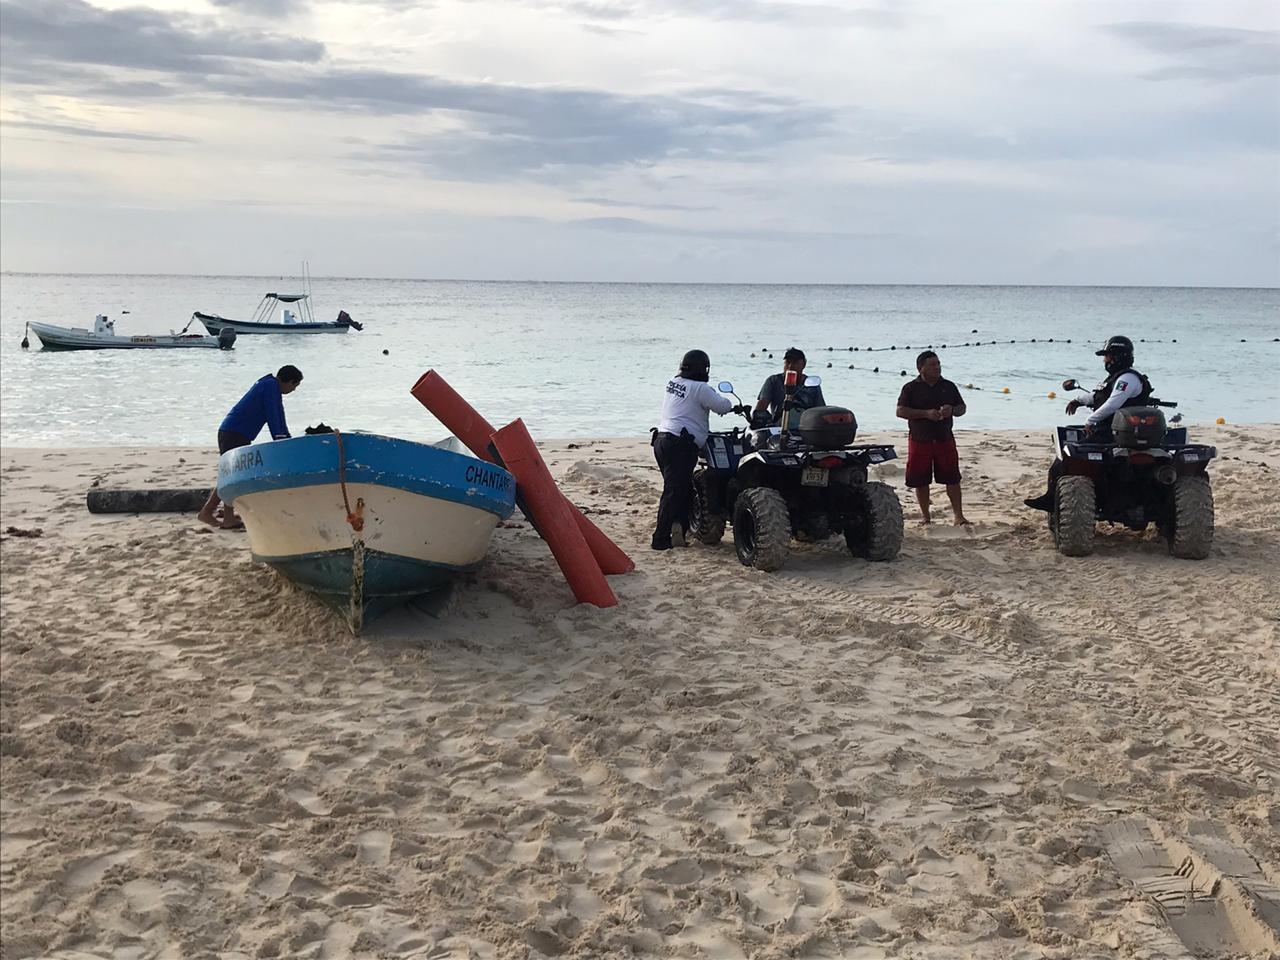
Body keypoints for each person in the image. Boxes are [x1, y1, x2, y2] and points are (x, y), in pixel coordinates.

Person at [1024, 335, 1152, 511]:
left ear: (1117, 356)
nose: (1105, 360)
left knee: (1067, 457)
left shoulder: (1126, 379)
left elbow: (1113, 403)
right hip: (1123, 433)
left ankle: (1051, 500)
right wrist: (1078, 400)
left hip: (1111, 433)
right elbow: (1098, 396)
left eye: (1107, 356)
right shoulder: (1118, 378)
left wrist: (1091, 420)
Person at [652, 349, 744, 551]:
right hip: (680, 445)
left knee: (680, 488)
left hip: (660, 441)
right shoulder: (701, 388)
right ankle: (660, 539)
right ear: (704, 369)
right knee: (674, 491)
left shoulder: (673, 383)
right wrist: (733, 407)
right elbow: (721, 405)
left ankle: (679, 527)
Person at [197, 365, 304, 529]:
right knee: (232, 476)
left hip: (235, 431)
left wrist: (285, 438)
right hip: (234, 432)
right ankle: (226, 518)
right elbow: (273, 415)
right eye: (295, 386)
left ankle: (211, 512)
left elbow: (278, 414)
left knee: (230, 474)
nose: (294, 390)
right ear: (289, 381)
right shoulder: (270, 387)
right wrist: (281, 439)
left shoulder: (269, 384)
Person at [895, 350, 969, 525]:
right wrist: (926, 414)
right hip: (920, 440)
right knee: (920, 479)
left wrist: (952, 410)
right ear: (921, 368)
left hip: (944, 438)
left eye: (938, 364)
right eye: (932, 365)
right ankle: (926, 516)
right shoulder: (911, 388)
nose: (937, 367)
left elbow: (962, 408)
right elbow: (900, 411)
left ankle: (959, 516)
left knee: (952, 478)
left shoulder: (949, 386)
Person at [755, 347, 826, 427]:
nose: (790, 366)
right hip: (779, 428)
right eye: (788, 362)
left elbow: (821, 411)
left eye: (795, 362)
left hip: (806, 428)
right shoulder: (773, 381)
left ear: (804, 364)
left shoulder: (812, 384)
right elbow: (761, 406)